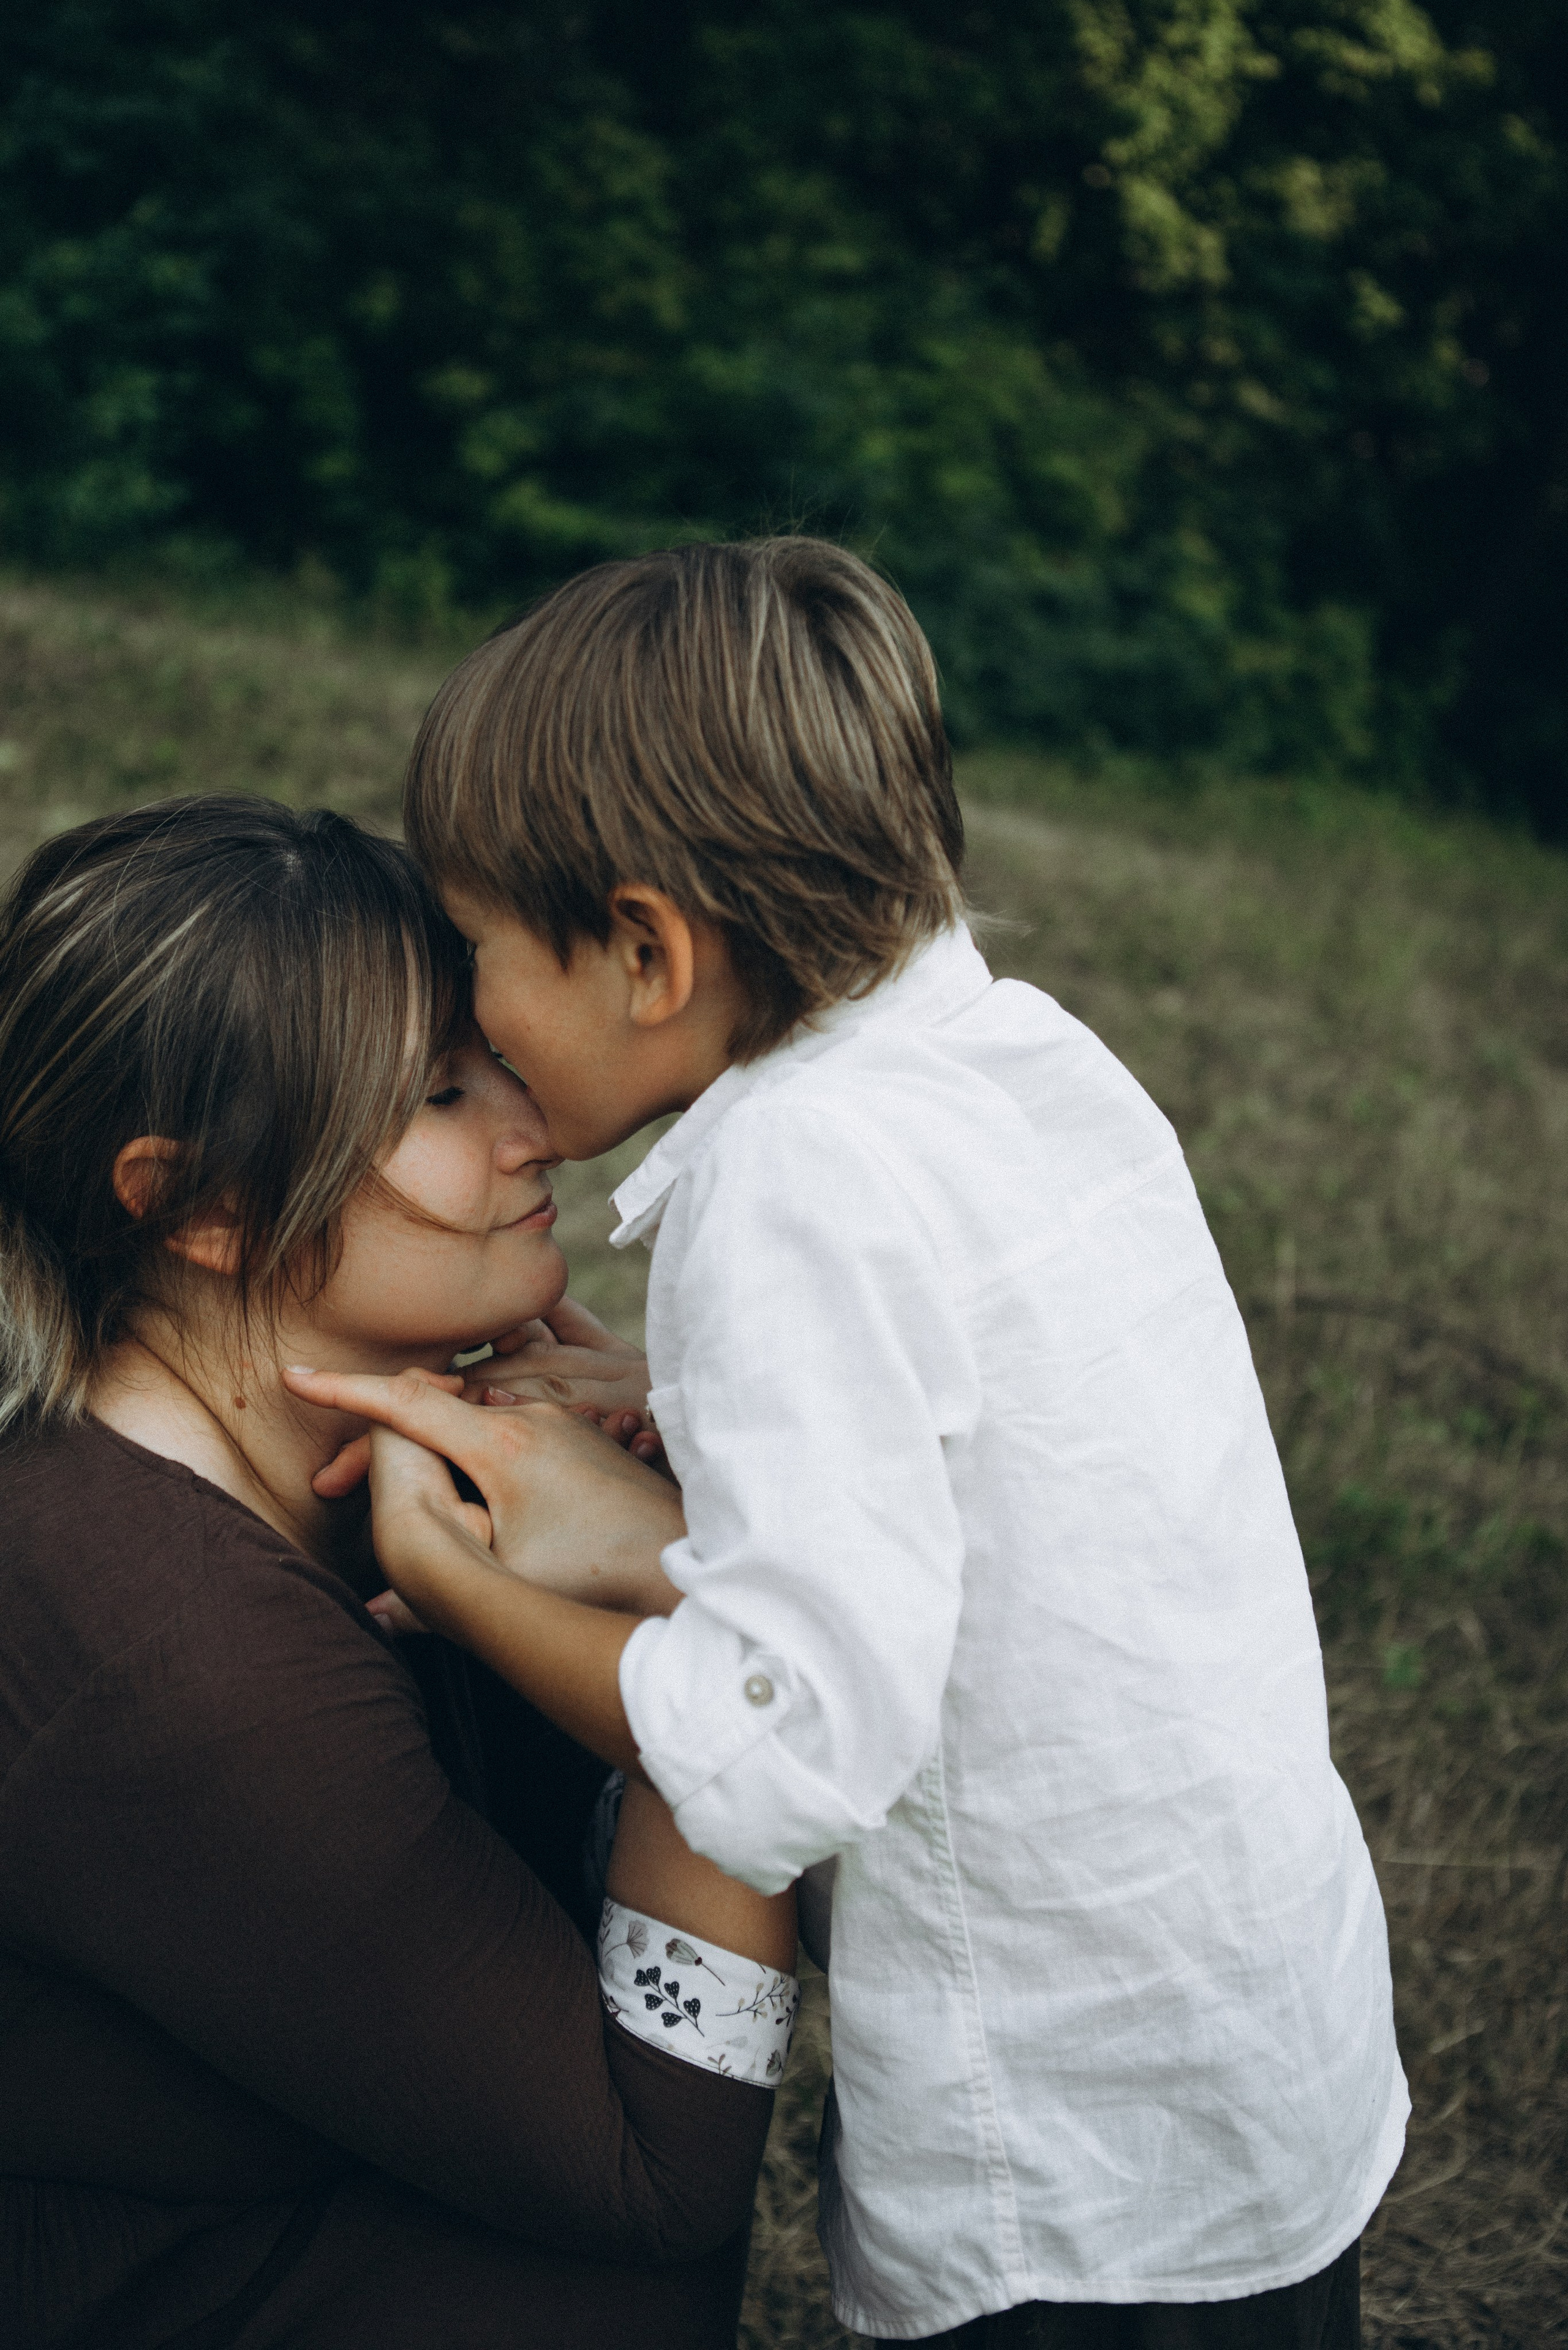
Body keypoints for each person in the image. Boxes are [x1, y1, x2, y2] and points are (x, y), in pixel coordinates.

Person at [293, 538, 1409, 2349]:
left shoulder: (785, 1179)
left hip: (1067, 2159)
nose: (474, 1026)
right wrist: (695, 1417)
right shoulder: (1022, 1056)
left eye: (479, 955)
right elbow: (1009, 1467)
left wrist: (444, 1574)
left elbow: (791, 1750)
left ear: (647, 951)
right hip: (1257, 2061)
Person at [0, 796, 797, 2350]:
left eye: (489, 1050)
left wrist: (652, 1489)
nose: (532, 1124)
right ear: (200, 1208)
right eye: (438, 1093)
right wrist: (705, 1602)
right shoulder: (168, 1644)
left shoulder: (384, 1445)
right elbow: (659, 2178)